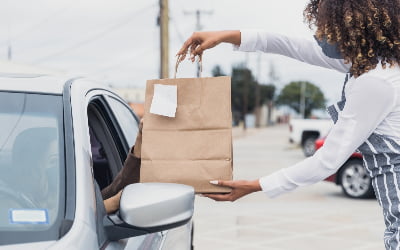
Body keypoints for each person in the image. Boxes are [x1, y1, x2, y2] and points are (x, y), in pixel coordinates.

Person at [177, 0, 400, 248]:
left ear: (356, 27)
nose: (322, 35)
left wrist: (254, 186)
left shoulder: (376, 81)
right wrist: (225, 35)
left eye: (329, 26)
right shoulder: (369, 63)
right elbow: (290, 45)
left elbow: (327, 160)